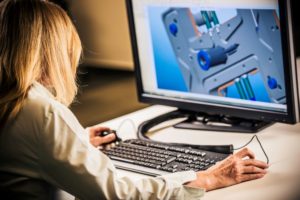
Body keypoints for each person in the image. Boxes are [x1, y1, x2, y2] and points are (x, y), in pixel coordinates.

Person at [0, 0, 269, 199]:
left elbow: (24, 148)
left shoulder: (12, 99)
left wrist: (74, 140)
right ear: (53, 51)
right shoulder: (41, 112)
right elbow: (117, 194)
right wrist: (206, 178)